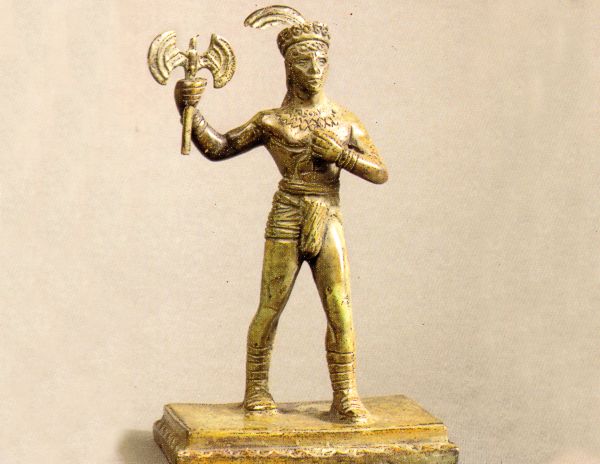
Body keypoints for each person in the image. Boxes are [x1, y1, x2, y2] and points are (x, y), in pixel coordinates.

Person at [174, 6, 388, 424]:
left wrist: (342, 155)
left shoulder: (345, 121)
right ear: (289, 66)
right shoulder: (271, 121)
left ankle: (346, 394)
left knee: (340, 307)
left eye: (322, 60)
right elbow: (219, 147)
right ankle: (256, 390)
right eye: (305, 61)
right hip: (287, 215)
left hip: (326, 214)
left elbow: (380, 172)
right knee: (270, 306)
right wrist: (188, 109)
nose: (315, 69)